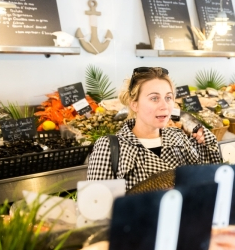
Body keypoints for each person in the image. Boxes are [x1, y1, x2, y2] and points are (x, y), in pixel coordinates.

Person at [87, 67, 222, 191]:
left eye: (168, 97)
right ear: (134, 104)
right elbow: (97, 208)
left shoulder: (179, 138)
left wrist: (203, 136)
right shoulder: (109, 147)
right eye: (154, 98)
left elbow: (211, 178)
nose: (164, 106)